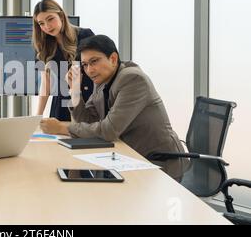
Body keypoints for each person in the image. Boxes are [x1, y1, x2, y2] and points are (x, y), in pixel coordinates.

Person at [40, 35, 188, 181]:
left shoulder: (133, 79)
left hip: (159, 163)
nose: (89, 70)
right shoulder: (103, 80)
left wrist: (62, 128)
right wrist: (75, 90)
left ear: (113, 59)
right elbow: (88, 120)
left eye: (94, 61)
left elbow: (108, 130)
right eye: (85, 65)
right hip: (129, 158)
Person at [33, 0, 95, 121]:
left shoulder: (85, 35)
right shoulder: (42, 46)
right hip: (61, 105)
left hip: (87, 101)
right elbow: (46, 84)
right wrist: (37, 117)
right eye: (41, 23)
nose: (47, 26)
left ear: (61, 16)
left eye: (50, 19)